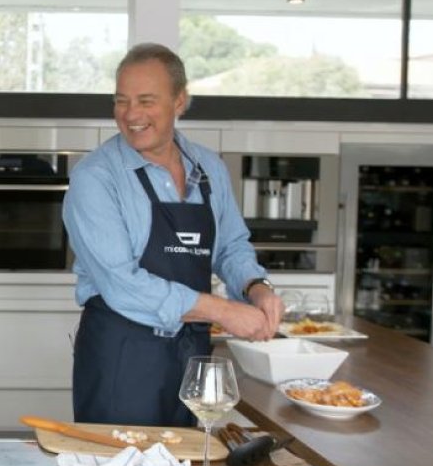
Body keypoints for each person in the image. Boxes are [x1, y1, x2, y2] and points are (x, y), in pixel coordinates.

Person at [63, 43, 283, 427]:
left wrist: (255, 286)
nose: (131, 115)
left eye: (146, 100)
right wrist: (222, 310)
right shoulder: (96, 178)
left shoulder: (208, 167)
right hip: (123, 355)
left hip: (190, 353)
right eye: (121, 101)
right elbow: (121, 284)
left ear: (180, 101)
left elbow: (230, 244)